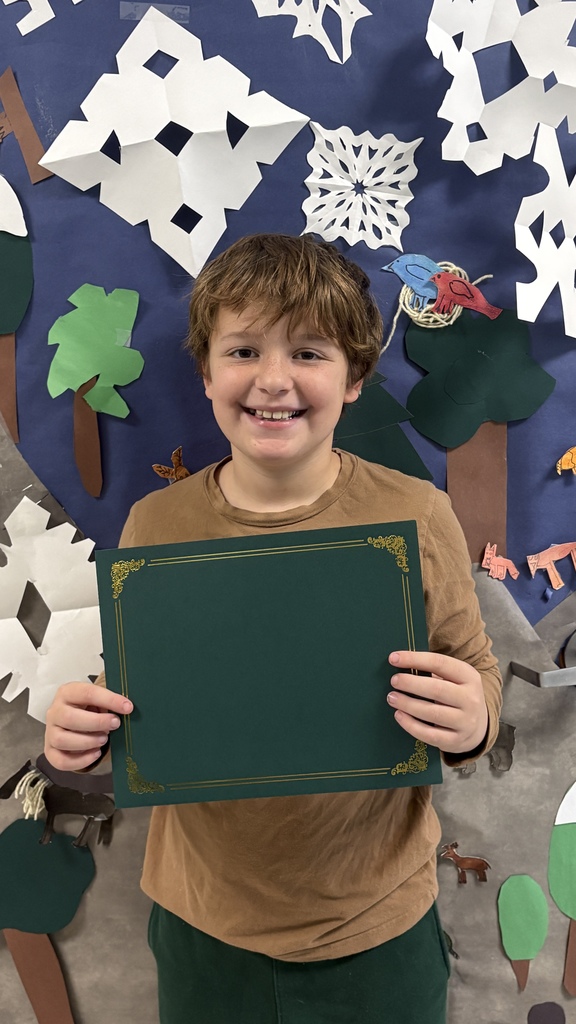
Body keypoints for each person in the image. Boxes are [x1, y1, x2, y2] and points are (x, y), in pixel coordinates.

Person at [44, 233, 502, 1024]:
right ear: (208, 371)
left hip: (376, 924)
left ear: (356, 376)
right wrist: (83, 733)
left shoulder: (418, 512)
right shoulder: (156, 524)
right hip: (203, 928)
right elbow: (140, 701)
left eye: (311, 352)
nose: (274, 381)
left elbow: (475, 670)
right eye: (245, 350)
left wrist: (475, 721)